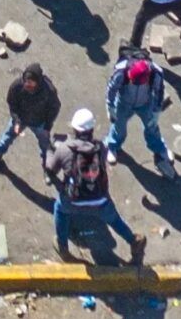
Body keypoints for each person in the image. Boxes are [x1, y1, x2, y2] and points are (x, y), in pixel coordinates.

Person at [47, 111, 143, 262]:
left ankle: (63, 246)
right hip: (100, 200)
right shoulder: (100, 147)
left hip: (73, 200)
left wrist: (61, 188)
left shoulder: (64, 149)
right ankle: (133, 241)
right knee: (114, 219)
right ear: (92, 130)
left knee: (60, 209)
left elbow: (51, 170)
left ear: (74, 130)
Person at [104, 47, 172, 174]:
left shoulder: (155, 74)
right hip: (124, 102)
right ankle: (112, 146)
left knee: (152, 127)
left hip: (145, 103)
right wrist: (110, 106)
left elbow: (159, 92)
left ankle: (160, 149)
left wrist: (156, 112)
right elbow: (111, 89)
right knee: (118, 126)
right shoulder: (122, 71)